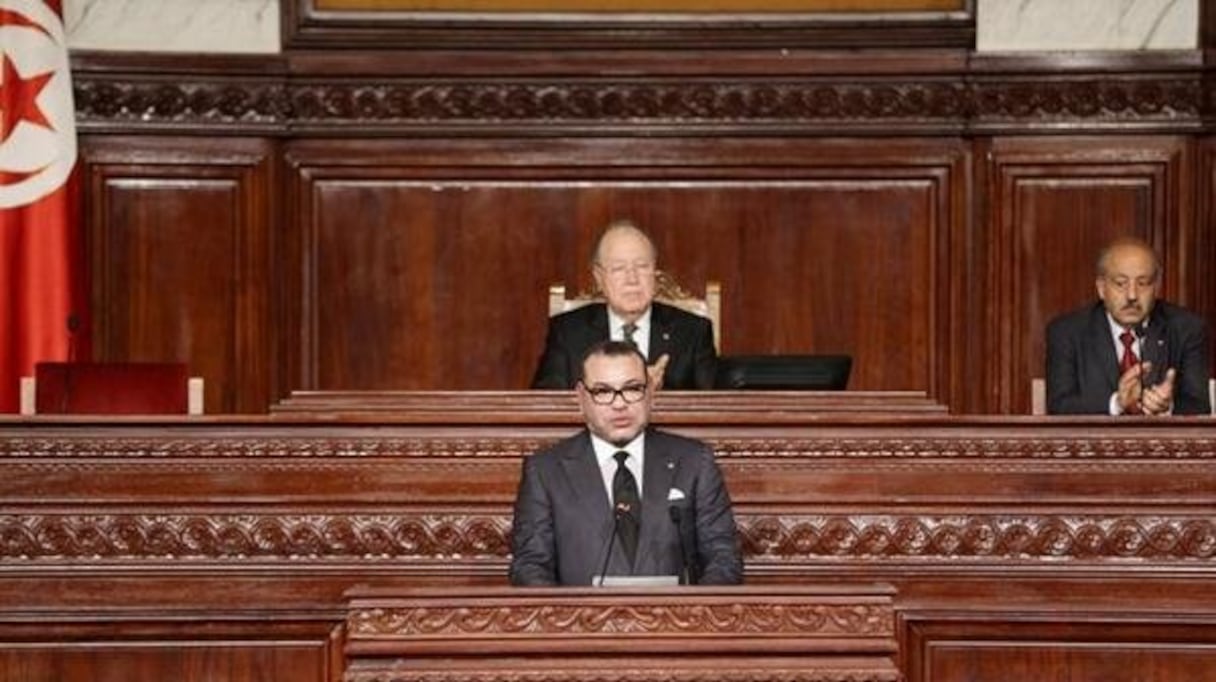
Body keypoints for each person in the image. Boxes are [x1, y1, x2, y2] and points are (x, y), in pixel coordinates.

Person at [510, 340, 743, 586]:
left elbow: (723, 557)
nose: (619, 404)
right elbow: (530, 565)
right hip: (582, 621)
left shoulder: (694, 461)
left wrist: (694, 615)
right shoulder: (546, 471)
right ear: (581, 397)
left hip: (676, 622)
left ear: (650, 392)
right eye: (603, 391)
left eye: (632, 389)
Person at [531, 220, 717, 390]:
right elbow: (546, 403)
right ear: (599, 277)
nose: (632, 279)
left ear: (655, 272)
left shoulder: (693, 331)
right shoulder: (567, 331)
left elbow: (714, 409)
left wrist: (658, 394)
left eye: (642, 266)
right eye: (619, 269)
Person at [1046, 236, 1211, 415]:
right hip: (1093, 442)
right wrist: (1117, 403)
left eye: (1143, 283)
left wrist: (1167, 407)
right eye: (1120, 284)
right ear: (1101, 288)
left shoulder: (1188, 329)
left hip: (1160, 441)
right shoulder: (1066, 332)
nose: (1132, 295)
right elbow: (1059, 406)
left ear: (1156, 287)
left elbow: (1199, 406)